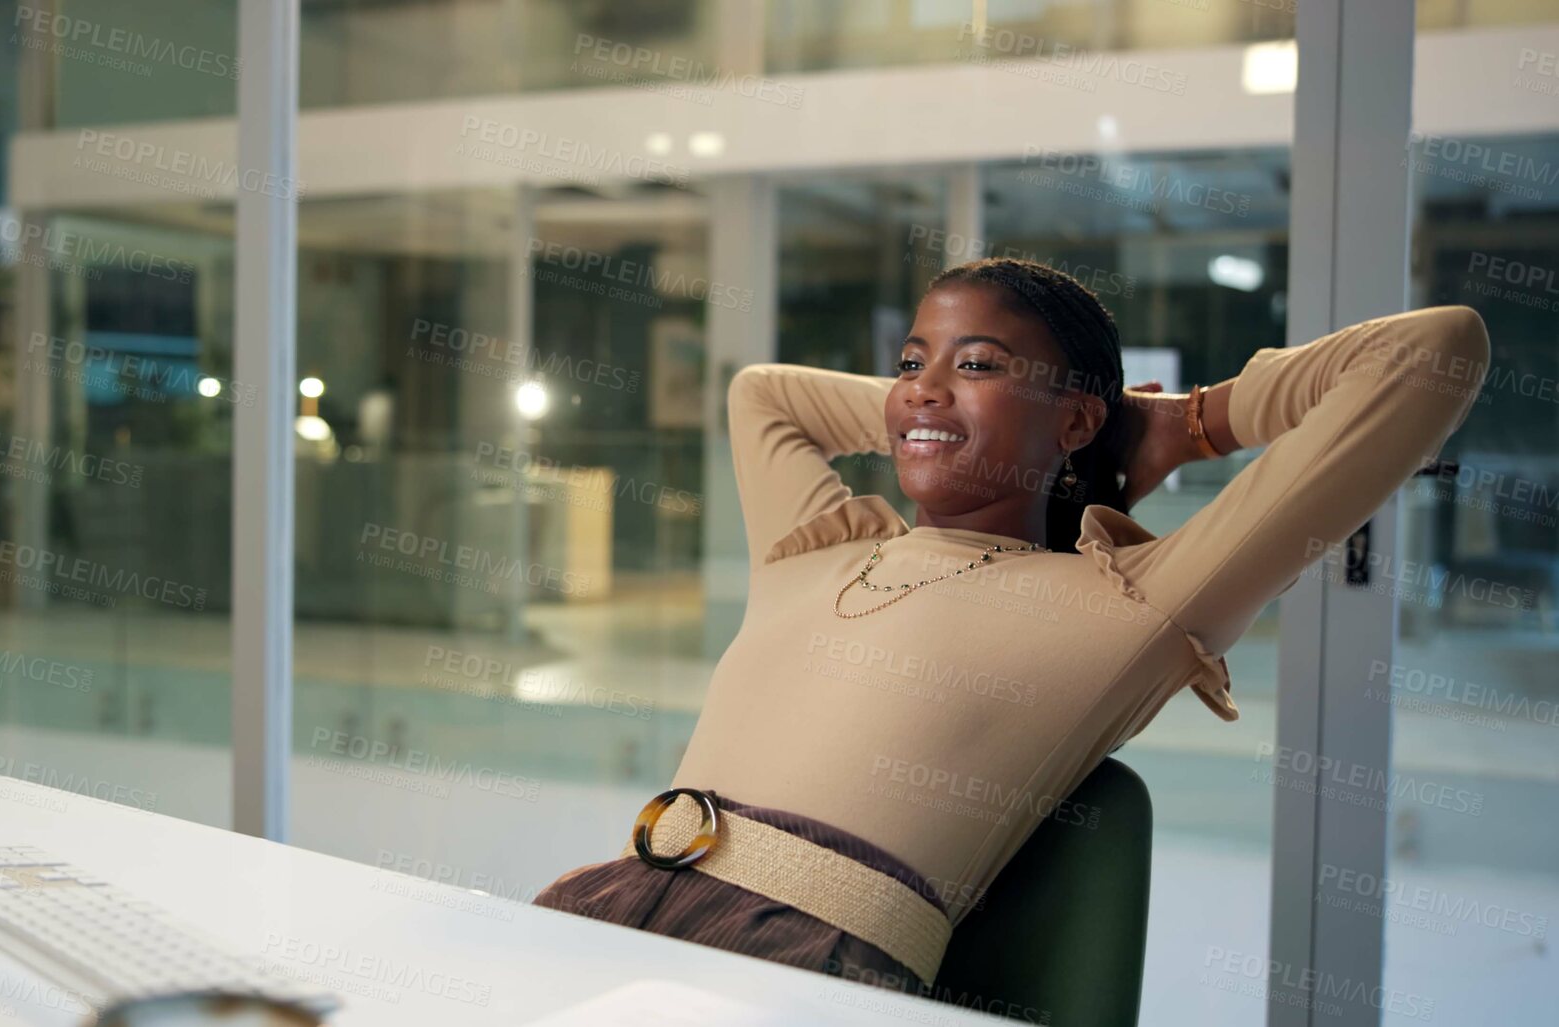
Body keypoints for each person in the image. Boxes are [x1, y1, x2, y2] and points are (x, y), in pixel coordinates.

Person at [531, 257, 1490, 997]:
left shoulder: (1132, 602)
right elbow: (762, 395)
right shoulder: (812, 550)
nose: (919, 385)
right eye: (909, 363)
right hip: (605, 907)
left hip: (799, 974)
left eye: (978, 363)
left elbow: (1432, 350)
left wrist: (1187, 422)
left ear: (1076, 418)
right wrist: (948, 409)